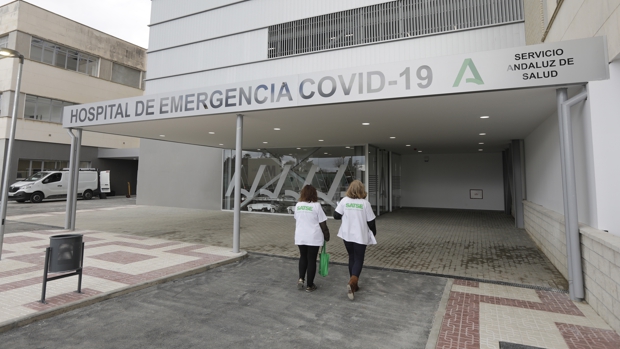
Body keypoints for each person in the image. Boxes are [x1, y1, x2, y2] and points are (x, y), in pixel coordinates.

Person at [334, 180, 377, 300]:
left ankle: (354, 285)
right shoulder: (365, 203)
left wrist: (347, 213)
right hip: (360, 235)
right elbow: (371, 222)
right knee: (359, 258)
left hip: (346, 235)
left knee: (351, 257)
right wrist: (373, 233)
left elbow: (336, 215)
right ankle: (352, 282)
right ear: (362, 190)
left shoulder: (344, 201)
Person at [294, 185, 330, 292]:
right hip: (313, 237)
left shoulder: (298, 205)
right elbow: (323, 224)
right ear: (314, 194)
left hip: (300, 236)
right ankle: (310, 285)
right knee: (311, 260)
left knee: (303, 257)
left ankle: (301, 279)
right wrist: (327, 235)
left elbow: (297, 218)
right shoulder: (316, 206)